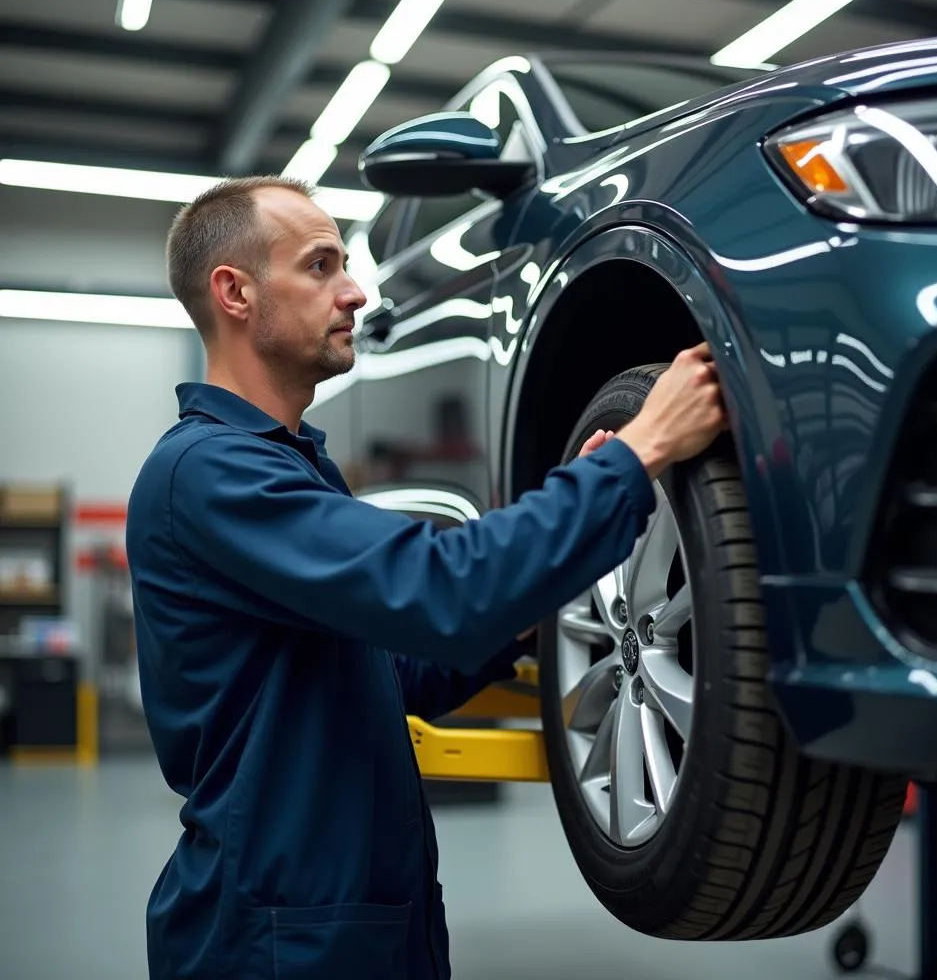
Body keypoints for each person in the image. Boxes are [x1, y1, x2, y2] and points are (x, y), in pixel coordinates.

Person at [125, 175, 726, 980]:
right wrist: (637, 453)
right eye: (320, 266)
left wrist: (537, 590)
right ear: (234, 292)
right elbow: (441, 589)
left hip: (351, 922)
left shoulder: (290, 467)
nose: (355, 292)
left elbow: (399, 671)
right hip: (275, 941)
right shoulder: (209, 474)